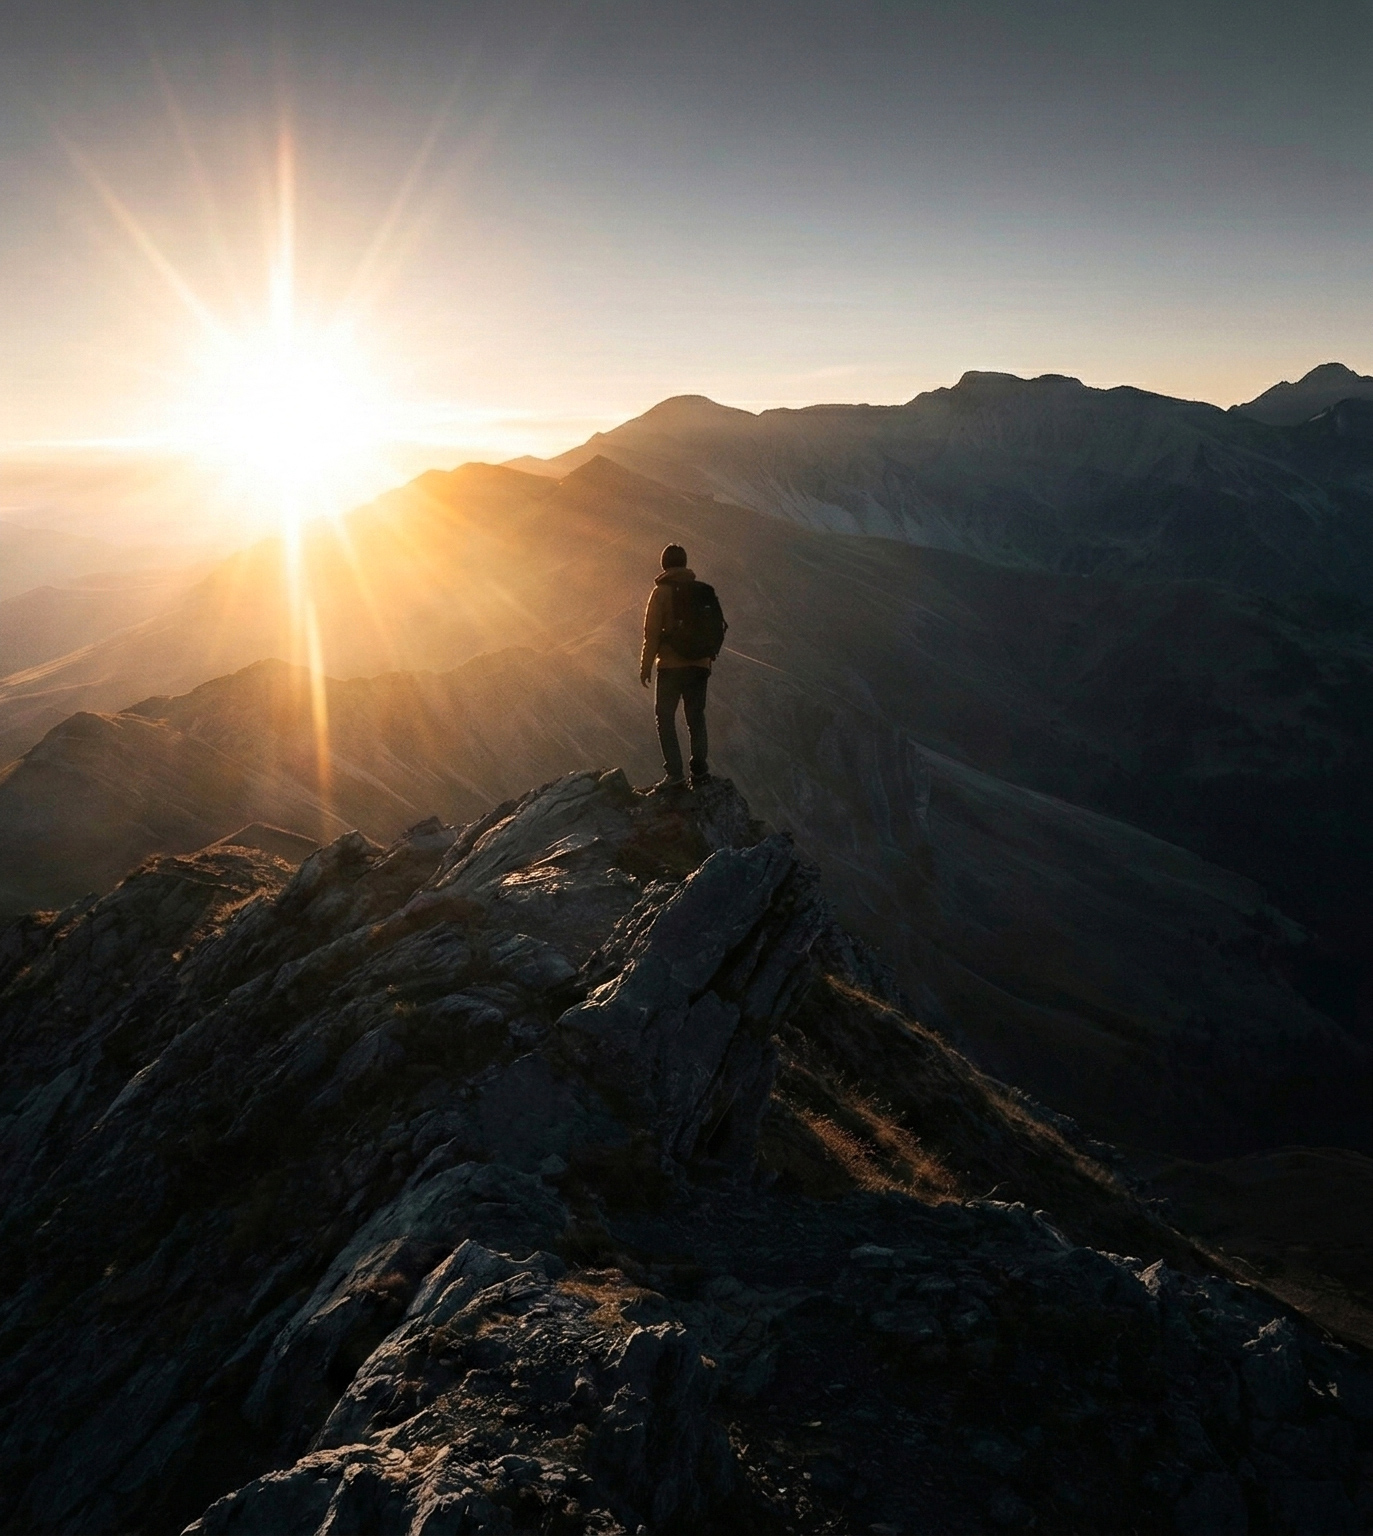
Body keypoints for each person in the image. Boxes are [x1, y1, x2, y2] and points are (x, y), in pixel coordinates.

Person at [639, 543, 721, 789]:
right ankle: (700, 771)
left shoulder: (661, 593)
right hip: (700, 665)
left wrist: (645, 666)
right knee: (696, 717)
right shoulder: (702, 591)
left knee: (665, 717)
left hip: (671, 666)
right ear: (685, 563)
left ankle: (674, 774)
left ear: (664, 564)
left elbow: (652, 633)